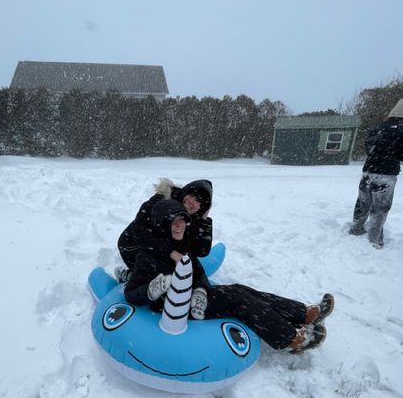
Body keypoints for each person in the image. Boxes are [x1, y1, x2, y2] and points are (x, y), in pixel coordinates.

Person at [124, 200, 335, 355]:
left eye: (182, 221)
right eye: (173, 223)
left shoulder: (180, 247)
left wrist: (202, 290)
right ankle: (291, 339)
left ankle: (303, 313)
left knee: (241, 290)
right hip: (174, 309)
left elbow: (199, 274)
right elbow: (131, 295)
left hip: (195, 300)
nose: (180, 226)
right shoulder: (148, 257)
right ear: (162, 225)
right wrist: (152, 289)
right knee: (239, 301)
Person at [115, 178, 213, 282]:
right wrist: (172, 253)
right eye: (191, 195)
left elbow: (201, 251)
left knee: (183, 264)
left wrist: (204, 220)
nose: (191, 201)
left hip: (162, 246)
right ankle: (130, 276)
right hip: (133, 246)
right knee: (164, 271)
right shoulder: (161, 201)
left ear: (202, 207)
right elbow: (140, 233)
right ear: (185, 192)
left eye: (198, 201)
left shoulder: (194, 215)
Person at [349, 99, 403, 247]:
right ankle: (375, 240)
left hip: (367, 172)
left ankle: (356, 228)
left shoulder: (377, 128)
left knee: (363, 203)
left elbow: (369, 148)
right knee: (380, 208)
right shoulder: (401, 130)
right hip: (385, 175)